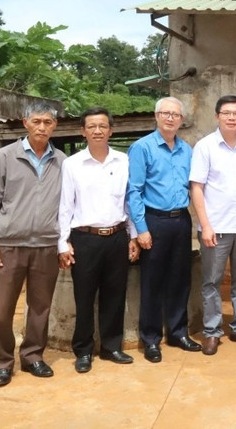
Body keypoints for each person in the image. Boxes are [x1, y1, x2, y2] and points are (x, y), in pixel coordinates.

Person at [0, 101, 67, 387]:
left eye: (48, 122)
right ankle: (3, 362)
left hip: (46, 246)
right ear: (25, 122)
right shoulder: (4, 157)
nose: (42, 127)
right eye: (37, 121)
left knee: (40, 307)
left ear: (55, 126)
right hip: (9, 246)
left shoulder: (62, 162)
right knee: (3, 310)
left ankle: (32, 357)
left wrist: (64, 242)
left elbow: (69, 207)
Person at [58, 107, 140, 373]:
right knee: (84, 297)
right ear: (83, 131)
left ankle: (111, 347)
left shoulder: (123, 161)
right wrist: (63, 242)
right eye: (91, 126)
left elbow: (129, 202)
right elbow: (65, 207)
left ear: (111, 131)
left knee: (115, 296)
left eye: (102, 126)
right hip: (85, 239)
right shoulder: (72, 165)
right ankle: (83, 351)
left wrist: (133, 236)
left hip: (117, 236)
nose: (97, 131)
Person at [127, 96, 201, 363]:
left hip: (181, 220)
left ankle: (178, 333)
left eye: (176, 115)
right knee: (152, 281)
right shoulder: (142, 148)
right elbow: (133, 191)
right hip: (154, 220)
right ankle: (151, 338)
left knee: (180, 279)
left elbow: (194, 187)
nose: (171, 118)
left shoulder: (187, 150)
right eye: (166, 113)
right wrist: (141, 229)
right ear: (156, 116)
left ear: (181, 120)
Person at [190, 95, 236, 355]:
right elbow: (197, 188)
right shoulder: (205, 146)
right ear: (217, 116)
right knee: (211, 280)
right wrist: (205, 225)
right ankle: (212, 331)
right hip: (216, 227)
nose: (231, 117)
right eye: (226, 113)